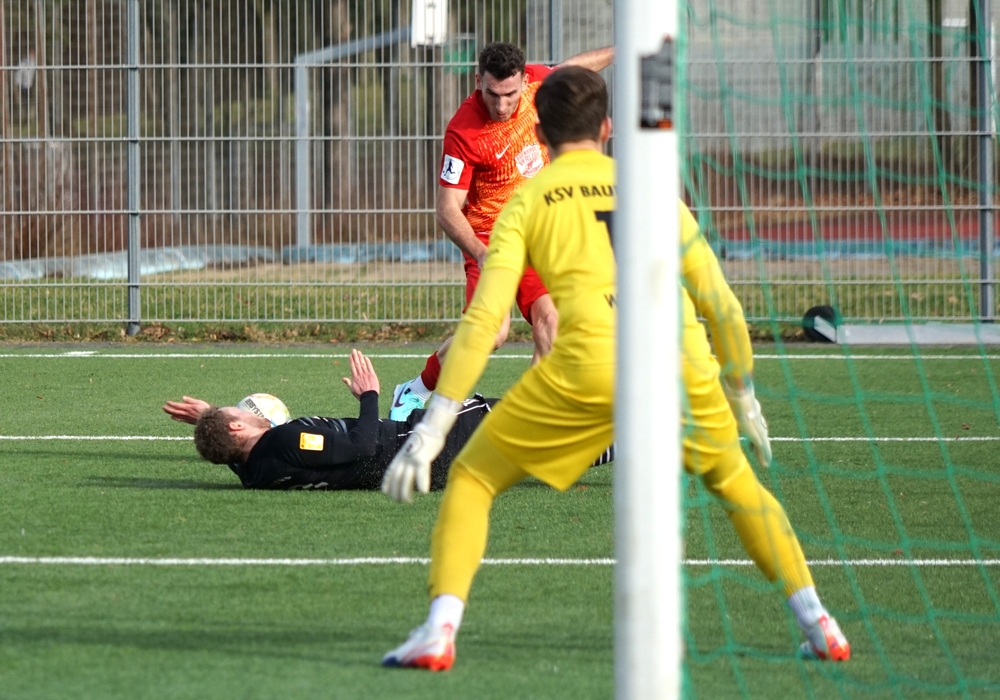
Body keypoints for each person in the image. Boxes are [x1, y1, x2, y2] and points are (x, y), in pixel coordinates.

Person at [379, 67, 850, 672]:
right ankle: (820, 623)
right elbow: (723, 308)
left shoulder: (527, 201)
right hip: (680, 368)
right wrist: (741, 394)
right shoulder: (655, 193)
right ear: (606, 128)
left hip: (586, 371)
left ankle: (440, 630)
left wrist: (434, 425)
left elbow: (484, 320)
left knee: (471, 479)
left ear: (538, 135)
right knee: (738, 487)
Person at [389, 41, 614, 420]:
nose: (502, 104)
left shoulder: (539, 84)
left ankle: (532, 420)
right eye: (493, 93)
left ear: (525, 81)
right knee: (491, 335)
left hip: (535, 231)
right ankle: (416, 389)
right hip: (488, 240)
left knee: (552, 323)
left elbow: (575, 69)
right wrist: (480, 253)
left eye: (510, 94)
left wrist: (627, 48)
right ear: (478, 81)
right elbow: (447, 209)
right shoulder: (463, 131)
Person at [162, 349, 613, 491]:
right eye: (236, 411)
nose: (243, 408)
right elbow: (361, 446)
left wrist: (208, 420)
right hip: (425, 445)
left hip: (424, 464)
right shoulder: (284, 441)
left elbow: (234, 453)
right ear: (238, 428)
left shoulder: (253, 471)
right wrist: (369, 394)